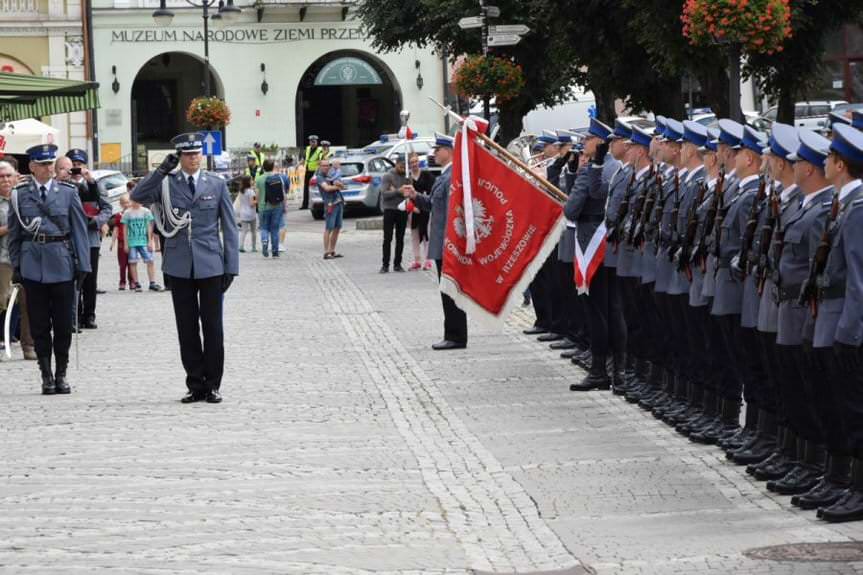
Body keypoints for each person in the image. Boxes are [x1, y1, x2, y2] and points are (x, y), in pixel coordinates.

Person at [131, 132, 239, 404]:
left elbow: (228, 226)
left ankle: (213, 384)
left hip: (211, 263)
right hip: (179, 265)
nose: (193, 158)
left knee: (213, 326)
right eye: (188, 154)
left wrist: (231, 266)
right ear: (180, 157)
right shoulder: (167, 183)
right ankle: (195, 384)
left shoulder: (215, 183)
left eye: (196, 153)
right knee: (186, 327)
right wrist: (161, 170)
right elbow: (138, 195)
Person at [8, 144, 91, 394]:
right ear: (31, 167)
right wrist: (17, 266)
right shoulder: (19, 194)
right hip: (33, 264)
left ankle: (62, 373)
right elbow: (15, 234)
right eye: (42, 164)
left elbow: (79, 230)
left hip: (62, 262)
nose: (47, 168)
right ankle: (46, 374)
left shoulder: (67, 192)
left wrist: (83, 265)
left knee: (64, 323)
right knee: (40, 323)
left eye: (50, 164)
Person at [404, 132, 466, 350]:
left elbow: (452, 212)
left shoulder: (451, 177)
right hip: (442, 241)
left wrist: (452, 242)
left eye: (437, 150)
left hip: (447, 242)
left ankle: (456, 335)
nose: (434, 154)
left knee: (450, 290)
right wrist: (414, 195)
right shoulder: (444, 175)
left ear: (448, 151)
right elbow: (432, 204)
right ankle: (452, 333)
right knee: (446, 289)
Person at [58, 150, 112, 329]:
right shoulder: (63, 185)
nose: (76, 168)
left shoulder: (93, 184)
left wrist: (97, 222)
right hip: (69, 238)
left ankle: (89, 315)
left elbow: (106, 208)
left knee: (90, 279)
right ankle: (74, 314)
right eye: (72, 165)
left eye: (79, 165)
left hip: (90, 238)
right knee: (72, 278)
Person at [122, 199, 162, 292]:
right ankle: (136, 283)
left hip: (144, 241)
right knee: (133, 262)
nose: (136, 202)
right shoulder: (127, 213)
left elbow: (149, 226)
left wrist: (150, 241)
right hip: (132, 242)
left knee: (150, 261)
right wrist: (126, 243)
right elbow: (125, 229)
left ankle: (152, 282)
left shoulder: (146, 211)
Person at [380, 154, 410, 273]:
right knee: (387, 238)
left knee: (400, 238)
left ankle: (397, 264)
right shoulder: (388, 176)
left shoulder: (407, 176)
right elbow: (384, 194)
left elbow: (408, 193)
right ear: (396, 164)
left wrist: (396, 191)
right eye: (401, 166)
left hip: (402, 210)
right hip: (389, 209)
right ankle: (385, 265)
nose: (403, 169)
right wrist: (399, 191)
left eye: (405, 167)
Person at [406, 152, 435, 270]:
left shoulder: (426, 175)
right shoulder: (408, 179)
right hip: (413, 211)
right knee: (414, 235)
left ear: (419, 162)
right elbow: (406, 195)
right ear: (409, 164)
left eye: (416, 161)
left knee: (426, 234)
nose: (414, 164)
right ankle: (417, 260)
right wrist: (412, 208)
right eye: (412, 162)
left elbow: (432, 190)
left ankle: (428, 260)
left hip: (425, 208)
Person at [256, 159, 287, 258]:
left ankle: (264, 241)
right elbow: (283, 194)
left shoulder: (259, 179)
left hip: (263, 207)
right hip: (277, 206)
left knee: (264, 227)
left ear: (263, 167)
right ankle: (275, 252)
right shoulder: (278, 178)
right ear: (273, 167)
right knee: (275, 229)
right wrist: (285, 206)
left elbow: (257, 195)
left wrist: (258, 204)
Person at [317, 158, 345, 259]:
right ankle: (326, 252)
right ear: (319, 167)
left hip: (338, 202)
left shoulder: (332, 175)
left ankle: (332, 250)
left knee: (337, 228)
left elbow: (343, 186)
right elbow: (327, 188)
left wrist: (340, 185)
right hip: (330, 204)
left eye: (327, 165)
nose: (325, 167)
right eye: (323, 165)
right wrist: (338, 187)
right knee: (329, 228)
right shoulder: (319, 177)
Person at [109, 194, 133, 290]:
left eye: (128, 202)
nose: (127, 204)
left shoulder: (133, 214)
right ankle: (122, 282)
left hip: (132, 242)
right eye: (124, 203)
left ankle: (132, 281)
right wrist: (112, 242)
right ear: (121, 204)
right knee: (122, 264)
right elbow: (116, 229)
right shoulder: (118, 216)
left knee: (132, 262)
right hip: (121, 243)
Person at [301, 135, 324, 210]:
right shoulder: (307, 149)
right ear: (309, 142)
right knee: (306, 188)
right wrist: (298, 164)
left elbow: (321, 160)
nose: (312, 143)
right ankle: (305, 205)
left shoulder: (320, 150)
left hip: (316, 172)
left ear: (317, 142)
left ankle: (320, 203)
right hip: (308, 171)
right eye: (311, 141)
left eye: (314, 141)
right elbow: (304, 159)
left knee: (318, 188)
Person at [237, 175, 258, 253]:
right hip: (251, 214)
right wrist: (257, 199)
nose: (252, 181)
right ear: (248, 182)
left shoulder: (241, 191)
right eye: (251, 180)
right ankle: (253, 247)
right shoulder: (251, 191)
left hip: (243, 213)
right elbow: (252, 204)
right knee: (253, 231)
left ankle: (241, 246)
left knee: (244, 231)